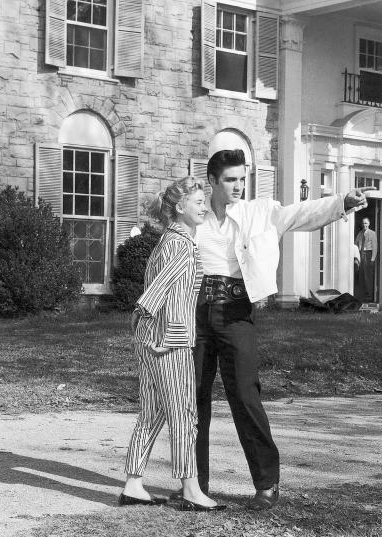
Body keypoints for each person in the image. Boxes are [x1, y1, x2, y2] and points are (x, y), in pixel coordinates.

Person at [193, 149, 370, 510]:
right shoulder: (193, 215)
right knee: (192, 401)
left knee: (244, 394)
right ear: (211, 181)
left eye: (242, 178)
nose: (239, 186)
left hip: (236, 312)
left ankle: (267, 485)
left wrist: (341, 202)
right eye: (230, 180)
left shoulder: (260, 212)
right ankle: (194, 486)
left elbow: (301, 214)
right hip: (193, 312)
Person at [119, 177, 227, 512]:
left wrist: (143, 316)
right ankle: (191, 489)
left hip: (151, 338)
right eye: (198, 202)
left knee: (152, 413)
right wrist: (142, 308)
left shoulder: (168, 239)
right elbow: (163, 285)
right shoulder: (182, 244)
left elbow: (164, 284)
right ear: (180, 208)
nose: (204, 207)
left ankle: (133, 485)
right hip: (170, 340)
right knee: (183, 414)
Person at [354, 217, 377, 303]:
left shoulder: (372, 233)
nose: (365, 225)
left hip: (368, 254)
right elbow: (355, 244)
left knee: (368, 277)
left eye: (366, 223)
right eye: (363, 223)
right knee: (361, 276)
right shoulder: (360, 233)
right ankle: (362, 297)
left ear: (369, 224)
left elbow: (375, 247)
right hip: (361, 254)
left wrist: (372, 259)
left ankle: (369, 297)